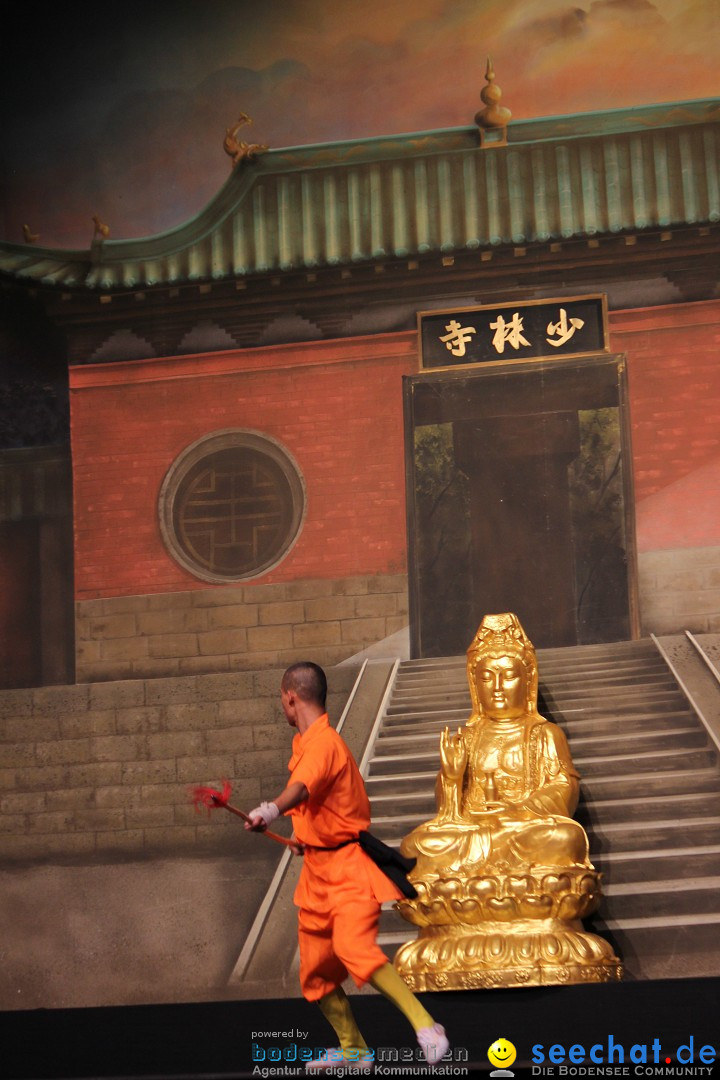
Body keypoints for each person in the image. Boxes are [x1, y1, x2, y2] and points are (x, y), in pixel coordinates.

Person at [246, 661, 449, 1071]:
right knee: (317, 975)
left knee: (355, 949)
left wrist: (270, 810)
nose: (282, 707)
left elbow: (300, 788)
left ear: (290, 696)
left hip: (349, 872)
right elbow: (319, 802)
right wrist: (306, 837)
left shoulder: (323, 743)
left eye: (282, 701)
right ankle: (353, 1049)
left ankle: (427, 1026)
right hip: (319, 874)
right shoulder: (304, 744)